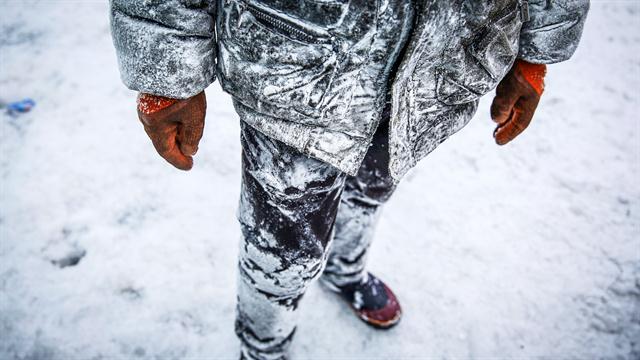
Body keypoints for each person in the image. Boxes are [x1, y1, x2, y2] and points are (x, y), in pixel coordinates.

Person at [110, 1, 589, 358]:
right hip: (295, 65)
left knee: (373, 188)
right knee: (282, 245)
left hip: (440, 62)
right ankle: (263, 350)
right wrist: (166, 74)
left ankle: (345, 271)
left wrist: (535, 54)